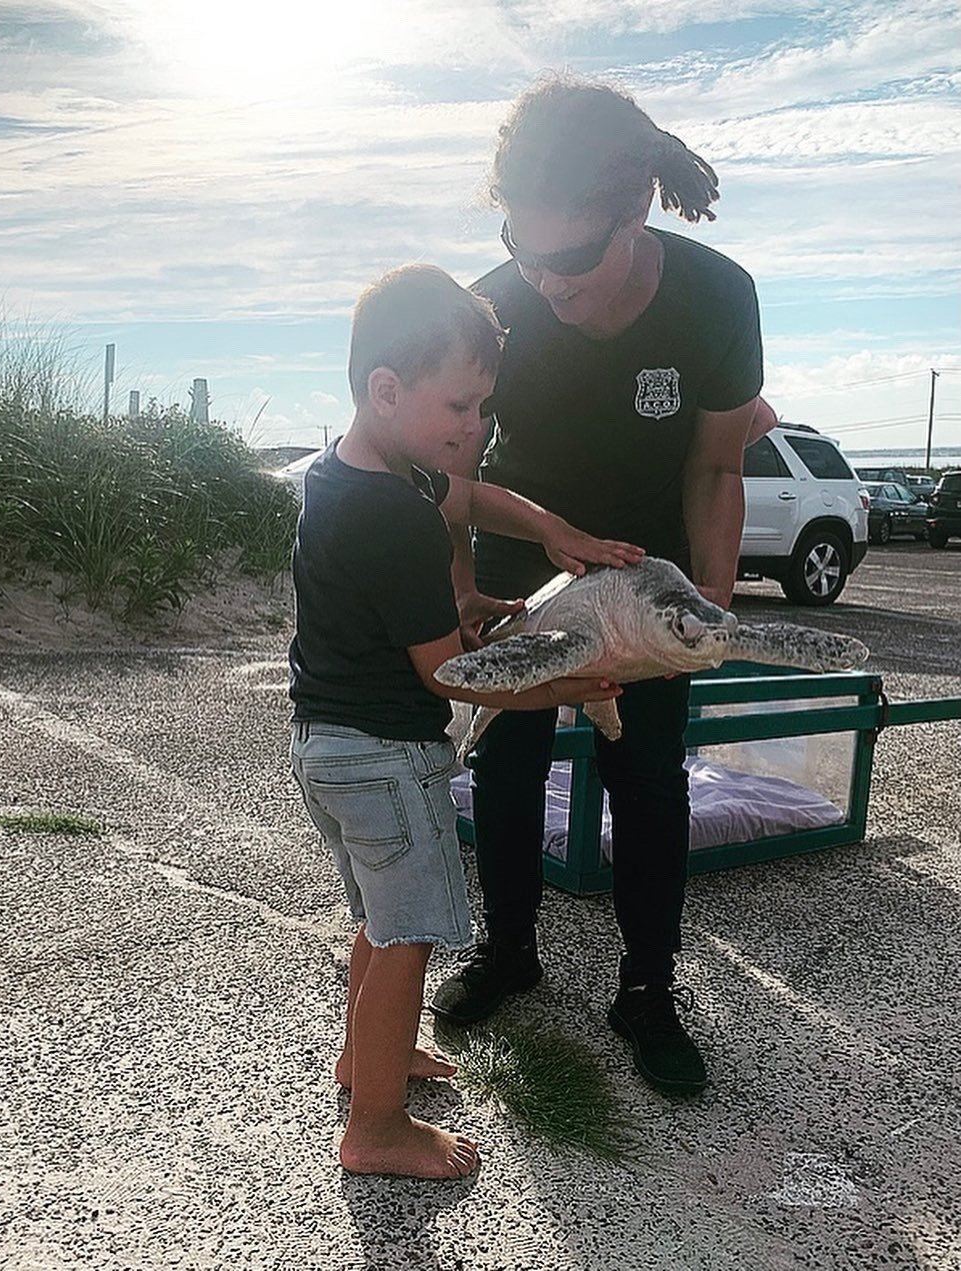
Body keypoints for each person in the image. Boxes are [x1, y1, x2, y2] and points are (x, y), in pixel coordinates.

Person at [432, 75, 773, 1096]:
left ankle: (648, 987)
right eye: (517, 249)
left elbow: (716, 469)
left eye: (569, 259)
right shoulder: (491, 309)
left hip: (648, 578)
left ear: (633, 214)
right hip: (519, 565)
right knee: (501, 767)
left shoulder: (718, 295)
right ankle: (508, 951)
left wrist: (702, 617)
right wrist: (459, 588)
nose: (544, 281)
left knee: (650, 781)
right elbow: (452, 476)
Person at [288, 263, 644, 1180]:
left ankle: (367, 1057)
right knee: (408, 932)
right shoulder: (394, 517)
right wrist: (567, 682)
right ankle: (375, 1125)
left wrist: (529, 547)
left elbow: (467, 505)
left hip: (324, 745)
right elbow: (453, 676)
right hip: (384, 759)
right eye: (458, 405)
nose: (473, 427)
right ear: (386, 389)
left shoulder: (343, 474)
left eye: (484, 406)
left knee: (377, 916)